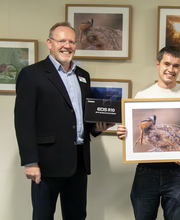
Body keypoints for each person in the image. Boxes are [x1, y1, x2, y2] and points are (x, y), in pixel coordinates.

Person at [14, 22, 113, 220]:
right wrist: (31, 162)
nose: (67, 46)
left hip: (78, 163)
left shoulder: (83, 76)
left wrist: (96, 127)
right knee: (43, 216)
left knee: (77, 216)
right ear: (50, 43)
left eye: (71, 41)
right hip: (46, 163)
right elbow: (23, 121)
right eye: (62, 41)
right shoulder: (32, 74)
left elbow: (81, 117)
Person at [117, 46, 180, 220]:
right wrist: (125, 133)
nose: (171, 69)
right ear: (158, 64)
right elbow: (135, 136)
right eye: (167, 64)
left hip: (177, 174)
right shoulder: (142, 96)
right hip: (147, 172)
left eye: (176, 66)